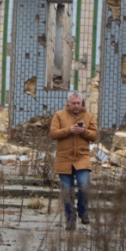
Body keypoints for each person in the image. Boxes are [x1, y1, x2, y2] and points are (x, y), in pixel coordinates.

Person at [49, 91, 98, 230]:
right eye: (73, 103)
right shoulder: (59, 115)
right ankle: (70, 219)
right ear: (68, 103)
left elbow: (94, 136)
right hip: (64, 158)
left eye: (79, 103)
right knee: (67, 190)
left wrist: (84, 132)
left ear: (82, 102)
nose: (76, 106)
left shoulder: (89, 116)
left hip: (82, 157)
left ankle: (83, 212)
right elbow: (53, 134)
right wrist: (69, 130)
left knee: (84, 185)